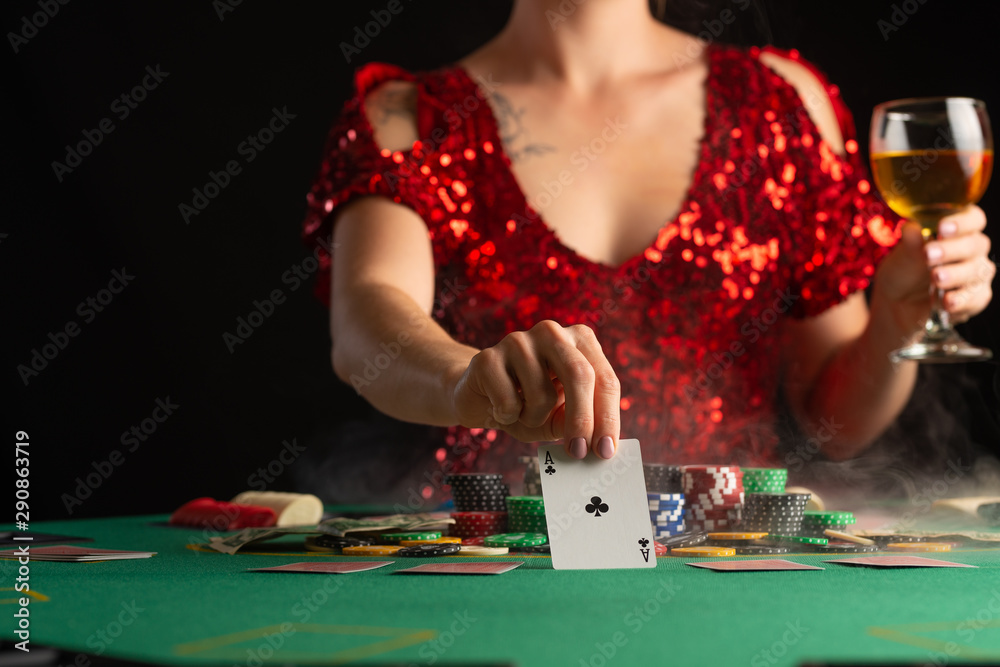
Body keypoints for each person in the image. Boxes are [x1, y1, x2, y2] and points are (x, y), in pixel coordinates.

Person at [300, 1, 994, 486]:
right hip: (491, 577)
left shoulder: (779, 102)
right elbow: (367, 323)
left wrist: (897, 323)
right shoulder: (406, 115)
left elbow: (834, 424)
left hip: (722, 578)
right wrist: (464, 379)